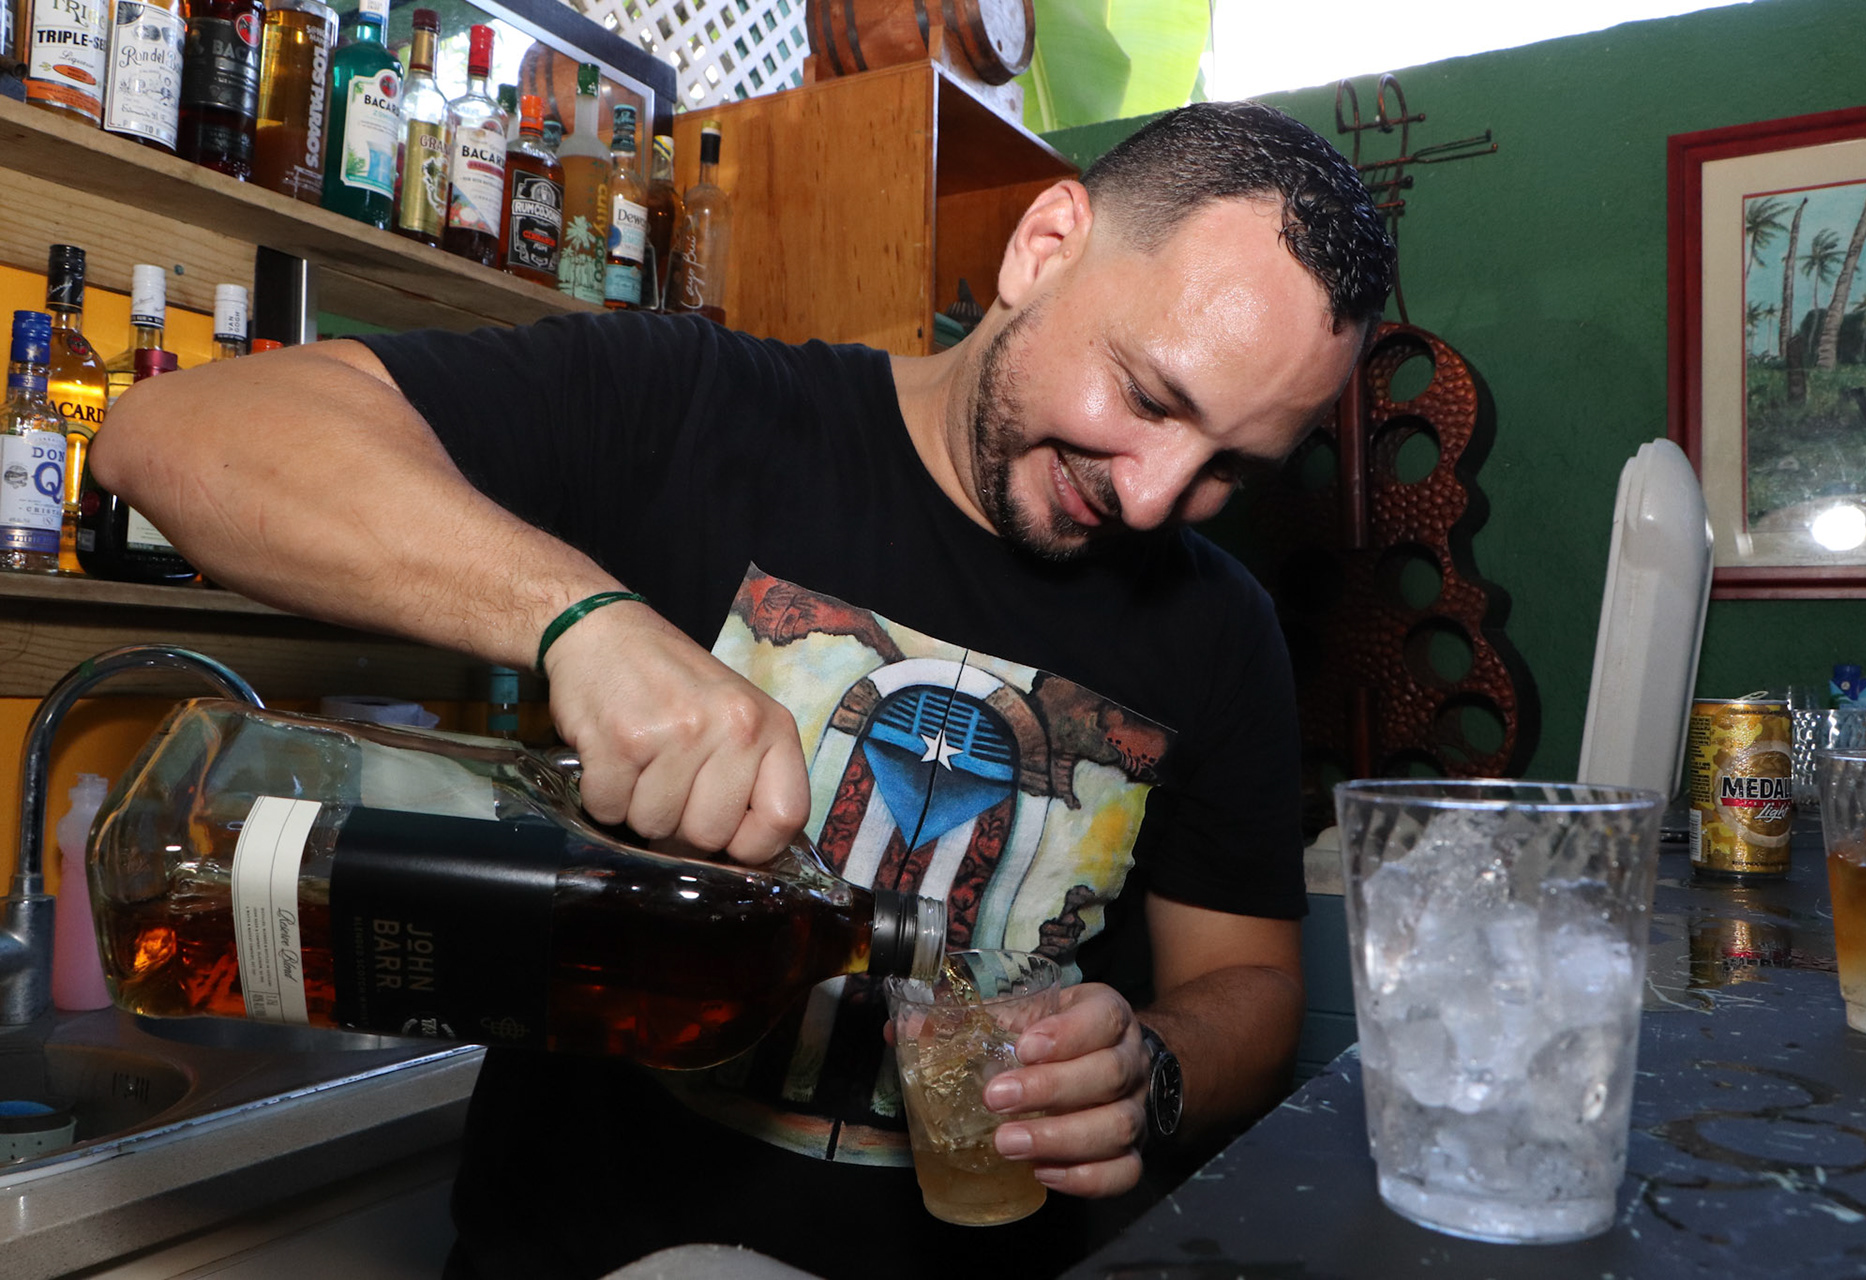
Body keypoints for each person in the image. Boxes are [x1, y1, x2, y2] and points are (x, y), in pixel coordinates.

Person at [95, 100, 1394, 1279]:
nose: (1156, 498)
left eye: (1229, 468)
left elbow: (1253, 990)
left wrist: (1151, 1067)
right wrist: (584, 623)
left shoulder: (1222, 629)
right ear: (1044, 247)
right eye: (1148, 396)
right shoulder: (695, 410)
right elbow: (174, 438)